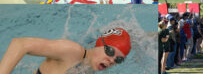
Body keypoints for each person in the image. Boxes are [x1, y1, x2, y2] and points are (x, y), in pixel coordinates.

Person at [0, 28, 131, 73]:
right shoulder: (72, 51)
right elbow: (20, 44)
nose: (112, 60)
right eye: (110, 51)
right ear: (99, 43)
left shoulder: (89, 68)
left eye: (118, 59)